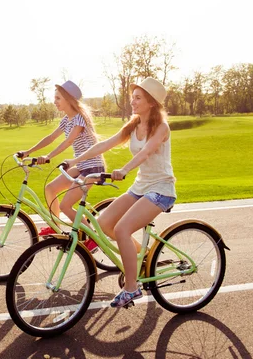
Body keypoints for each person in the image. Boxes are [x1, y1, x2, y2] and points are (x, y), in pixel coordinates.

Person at [64, 77, 176, 308]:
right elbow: (104, 145)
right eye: (132, 97)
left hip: (161, 189)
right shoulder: (133, 125)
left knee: (122, 229)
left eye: (138, 98)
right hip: (141, 186)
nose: (132, 101)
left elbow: (146, 152)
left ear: (151, 103)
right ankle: (142, 258)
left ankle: (132, 288)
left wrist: (124, 169)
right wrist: (76, 159)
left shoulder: (161, 127)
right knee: (104, 223)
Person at [18, 80, 105, 250]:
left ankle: (93, 238)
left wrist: (49, 156)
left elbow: (68, 141)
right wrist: (28, 152)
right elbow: (51, 138)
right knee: (51, 188)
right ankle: (55, 226)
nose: (55, 101)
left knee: (66, 205)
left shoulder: (80, 118)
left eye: (58, 98)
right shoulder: (67, 119)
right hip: (81, 166)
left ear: (68, 99)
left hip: (92, 167)